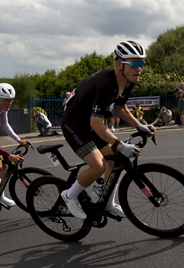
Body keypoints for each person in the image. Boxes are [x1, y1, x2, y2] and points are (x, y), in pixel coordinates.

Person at [59, 41, 155, 220]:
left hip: (89, 122)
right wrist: (119, 144)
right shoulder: (106, 84)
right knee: (99, 165)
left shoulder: (128, 80)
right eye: (134, 63)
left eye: (141, 63)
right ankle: (69, 196)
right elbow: (96, 123)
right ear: (119, 64)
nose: (139, 68)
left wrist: (139, 125)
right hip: (74, 123)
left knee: (114, 161)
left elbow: (121, 107)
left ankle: (108, 202)